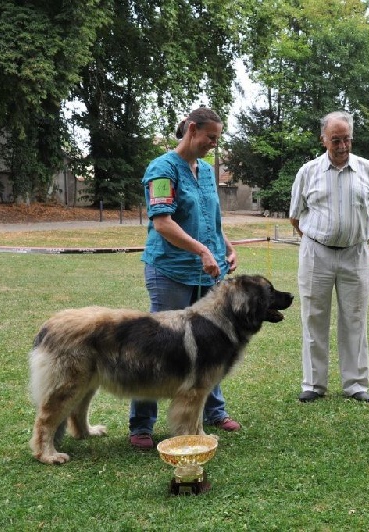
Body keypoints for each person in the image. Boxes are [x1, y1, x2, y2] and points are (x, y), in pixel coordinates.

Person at [129, 106, 240, 450]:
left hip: (207, 272)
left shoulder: (205, 171)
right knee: (158, 347)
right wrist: (202, 251)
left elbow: (210, 218)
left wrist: (225, 246)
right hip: (171, 271)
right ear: (192, 130)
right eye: (210, 137)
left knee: (211, 344)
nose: (213, 144)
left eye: (217, 138)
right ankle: (141, 424)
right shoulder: (161, 169)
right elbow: (162, 223)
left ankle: (213, 412)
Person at [289, 110, 369, 404]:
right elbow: (295, 216)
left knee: (355, 318)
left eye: (347, 139)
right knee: (313, 317)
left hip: (355, 253)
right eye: (336, 140)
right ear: (323, 140)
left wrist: (353, 235)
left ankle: (355, 384)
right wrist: (321, 238)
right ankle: (313, 383)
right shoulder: (308, 172)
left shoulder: (367, 170)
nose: (342, 146)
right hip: (316, 252)